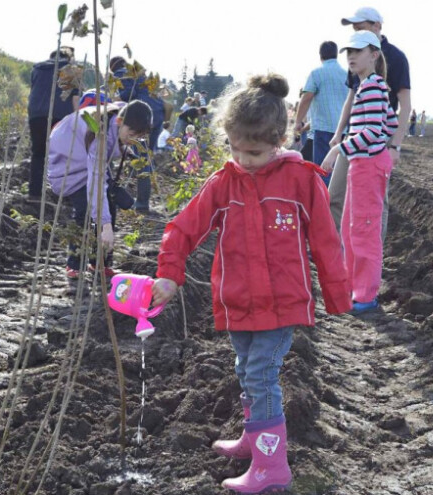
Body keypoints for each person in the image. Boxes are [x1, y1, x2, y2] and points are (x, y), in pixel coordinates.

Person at [150, 74, 351, 493]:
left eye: (254, 152)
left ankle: (271, 466)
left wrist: (335, 296)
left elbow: (326, 242)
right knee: (246, 370)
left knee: (262, 376)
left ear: (280, 139)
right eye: (235, 149)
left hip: (283, 303)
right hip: (237, 301)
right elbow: (183, 229)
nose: (243, 159)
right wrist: (169, 274)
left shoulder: (301, 181)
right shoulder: (224, 183)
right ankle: (253, 437)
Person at [320, 30, 398, 315]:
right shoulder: (371, 85)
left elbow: (373, 131)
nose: (351, 56)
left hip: (367, 166)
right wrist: (376, 149)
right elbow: (388, 124)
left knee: (364, 231)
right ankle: (353, 288)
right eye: (348, 52)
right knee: (350, 229)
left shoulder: (373, 87)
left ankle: (366, 296)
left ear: (374, 55)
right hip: (362, 165)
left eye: (357, 51)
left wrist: (339, 148)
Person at [329, 7, 411, 240]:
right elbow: (351, 97)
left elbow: (405, 105)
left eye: (360, 27)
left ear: (377, 26)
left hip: (377, 138)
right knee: (335, 195)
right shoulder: (356, 57)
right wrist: (339, 133)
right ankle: (337, 251)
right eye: (354, 29)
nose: (356, 32)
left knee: (377, 201)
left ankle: (373, 256)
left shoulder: (396, 57)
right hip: (354, 136)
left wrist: (395, 145)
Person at [46, 101, 152, 278]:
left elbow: (128, 106)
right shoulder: (98, 135)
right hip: (68, 167)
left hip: (86, 160)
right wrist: (106, 226)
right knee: (84, 211)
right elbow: (95, 181)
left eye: (137, 138)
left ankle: (100, 263)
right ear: (119, 122)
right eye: (131, 135)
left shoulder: (121, 113)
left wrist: (124, 147)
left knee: (110, 203)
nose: (133, 140)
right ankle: (74, 264)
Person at [109, 56, 166, 212]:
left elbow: (129, 93)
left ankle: (141, 203)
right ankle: (138, 186)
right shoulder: (139, 74)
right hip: (157, 115)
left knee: (142, 160)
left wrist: (115, 100)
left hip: (142, 117)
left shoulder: (121, 74)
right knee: (145, 157)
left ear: (112, 68)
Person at [294, 41, 348, 185]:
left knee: (324, 169)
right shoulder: (347, 74)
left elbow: (306, 98)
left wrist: (298, 122)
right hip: (344, 130)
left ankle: (324, 203)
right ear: (336, 54)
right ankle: (338, 203)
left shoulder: (316, 73)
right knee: (340, 170)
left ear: (320, 56)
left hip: (324, 129)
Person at [27, 46, 76, 203]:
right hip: (60, 116)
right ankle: (66, 195)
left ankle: (34, 194)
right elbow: (75, 99)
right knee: (64, 155)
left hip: (37, 115)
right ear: (68, 58)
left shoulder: (37, 68)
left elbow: (35, 91)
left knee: (38, 154)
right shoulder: (71, 70)